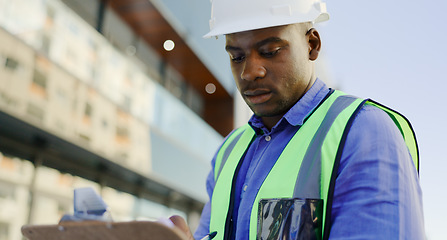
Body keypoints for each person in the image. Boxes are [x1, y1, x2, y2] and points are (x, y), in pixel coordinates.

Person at [171, 0, 424, 239]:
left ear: (312, 45)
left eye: (270, 51)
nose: (249, 72)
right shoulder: (228, 151)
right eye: (237, 57)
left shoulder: (364, 132)